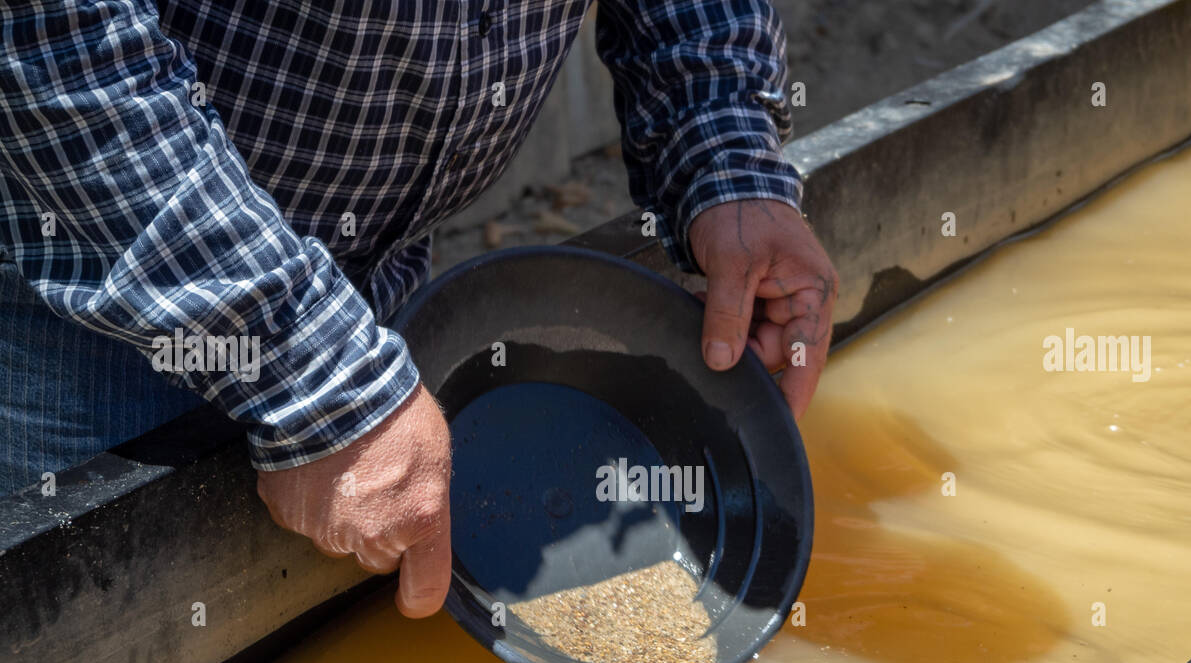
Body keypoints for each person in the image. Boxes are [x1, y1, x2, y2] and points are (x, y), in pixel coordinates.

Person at [0, 0, 838, 618]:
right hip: (89, 303)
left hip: (375, 301)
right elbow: (55, 42)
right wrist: (308, 368)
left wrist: (725, 157)